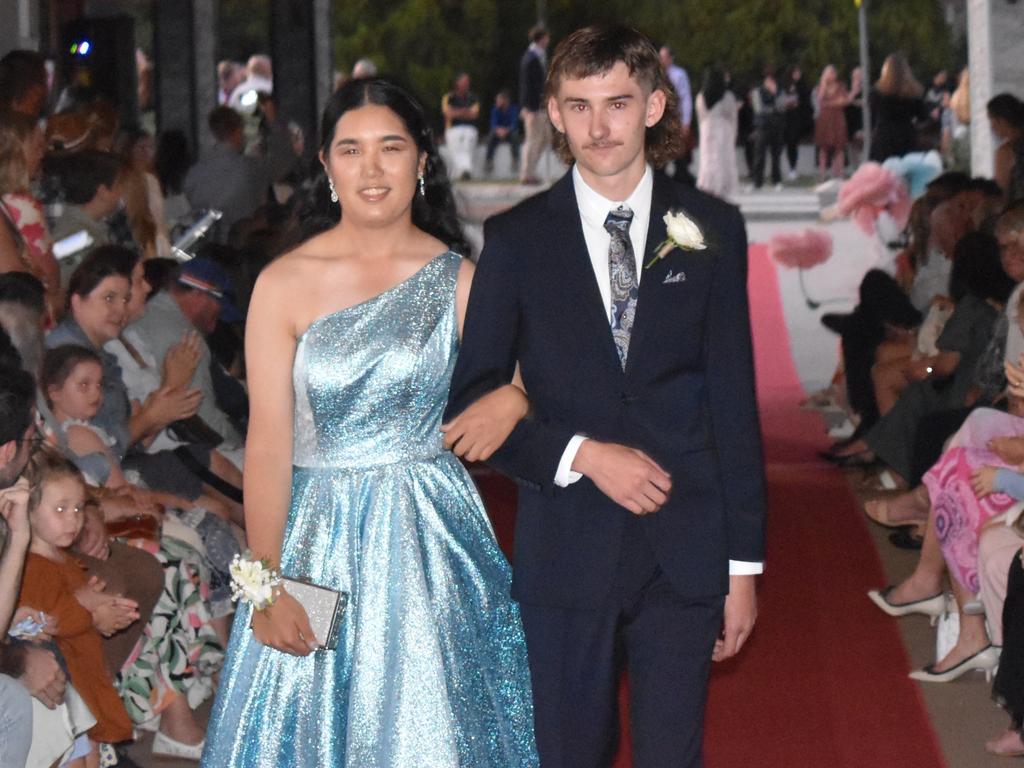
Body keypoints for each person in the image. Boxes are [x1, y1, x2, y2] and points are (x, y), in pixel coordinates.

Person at [446, 24, 765, 767]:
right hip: (567, 547)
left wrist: (742, 569)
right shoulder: (516, 240)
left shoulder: (712, 229)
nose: (599, 126)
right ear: (553, 113)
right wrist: (582, 454)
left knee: (670, 756)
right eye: (579, 105)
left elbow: (733, 403)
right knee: (569, 754)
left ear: (654, 106)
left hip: (682, 546)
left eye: (618, 103)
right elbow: (473, 410)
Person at [201, 76, 538, 767]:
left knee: (436, 731)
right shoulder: (283, 282)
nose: (373, 168)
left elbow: (552, 374)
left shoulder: (461, 279)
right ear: (325, 165)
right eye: (351, 150)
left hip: (432, 543)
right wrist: (264, 587)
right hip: (315, 536)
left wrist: (517, 396)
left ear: (422, 160)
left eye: (392, 147)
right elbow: (266, 445)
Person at [183, 106, 270, 242]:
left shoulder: (195, 172)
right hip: (243, 242)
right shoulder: (251, 168)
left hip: (205, 244)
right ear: (237, 131)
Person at [869, 53, 926, 163]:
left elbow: (873, 115)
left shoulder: (876, 92)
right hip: (906, 136)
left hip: (883, 137)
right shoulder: (914, 92)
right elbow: (923, 116)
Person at [695, 67, 739, 200]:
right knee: (722, 160)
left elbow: (700, 116)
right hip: (723, 130)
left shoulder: (701, 96)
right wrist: (734, 134)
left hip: (706, 129)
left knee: (707, 160)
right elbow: (732, 116)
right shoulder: (727, 96)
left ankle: (707, 187)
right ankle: (722, 190)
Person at [519, 25, 551, 185]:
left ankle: (531, 170)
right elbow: (527, 85)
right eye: (546, 38)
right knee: (532, 139)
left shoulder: (538, 56)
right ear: (541, 38)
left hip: (540, 105)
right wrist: (527, 107)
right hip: (533, 107)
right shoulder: (531, 58)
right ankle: (526, 173)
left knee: (545, 138)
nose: (548, 41)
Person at [659, 45, 694, 184]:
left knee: (679, 154)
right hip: (661, 119)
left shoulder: (679, 75)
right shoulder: (656, 74)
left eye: (664, 57)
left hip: (675, 119)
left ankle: (682, 180)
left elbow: (685, 98)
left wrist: (686, 121)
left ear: (670, 58)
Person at [751, 66, 785, 190]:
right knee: (759, 155)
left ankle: (777, 181)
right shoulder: (757, 91)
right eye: (768, 80)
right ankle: (757, 182)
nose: (770, 82)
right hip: (762, 126)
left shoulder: (779, 91)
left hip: (777, 126)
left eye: (772, 80)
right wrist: (773, 108)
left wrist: (775, 94)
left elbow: (782, 107)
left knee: (776, 155)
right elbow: (759, 109)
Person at [441, 73, 480, 180]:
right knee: (457, 148)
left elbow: (474, 115)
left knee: (467, 147)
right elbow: (448, 114)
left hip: (469, 128)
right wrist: (465, 111)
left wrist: (457, 112)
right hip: (453, 129)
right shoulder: (449, 97)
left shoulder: (473, 98)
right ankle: (465, 170)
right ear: (457, 83)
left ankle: (464, 171)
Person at [813, 65, 849, 181]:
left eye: (832, 73)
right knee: (823, 147)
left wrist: (828, 104)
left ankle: (839, 173)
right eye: (827, 73)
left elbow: (843, 101)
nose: (830, 75)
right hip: (824, 120)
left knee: (839, 147)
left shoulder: (840, 86)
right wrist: (823, 85)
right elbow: (819, 100)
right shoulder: (820, 87)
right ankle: (822, 174)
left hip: (837, 119)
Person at [988, 93, 1024, 203]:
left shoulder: (1007, 152)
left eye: (991, 120)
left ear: (1001, 120)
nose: (991, 127)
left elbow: (1002, 194)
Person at [781, 65, 812, 180]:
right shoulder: (786, 85)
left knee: (794, 142)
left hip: (799, 119)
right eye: (795, 73)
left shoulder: (804, 86)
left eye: (799, 72)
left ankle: (793, 168)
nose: (797, 75)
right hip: (787, 118)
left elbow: (807, 102)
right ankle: (791, 168)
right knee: (789, 143)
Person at [484, 89, 520, 177]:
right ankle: (489, 161)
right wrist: (499, 130)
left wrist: (506, 130)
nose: (498, 102)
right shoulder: (495, 110)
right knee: (491, 137)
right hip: (498, 132)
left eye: (500, 100)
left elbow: (514, 123)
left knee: (515, 136)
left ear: (505, 100)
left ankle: (515, 159)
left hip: (509, 132)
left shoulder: (513, 109)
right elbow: (493, 124)